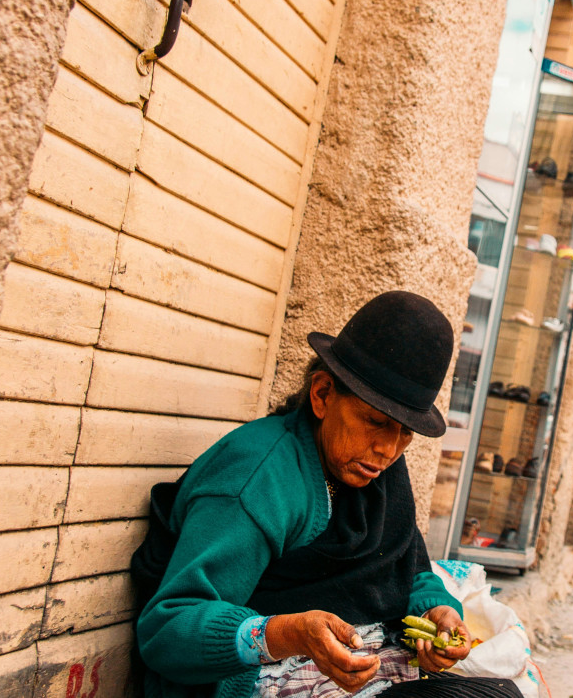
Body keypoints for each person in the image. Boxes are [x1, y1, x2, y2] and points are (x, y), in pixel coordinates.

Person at [132, 291, 521, 698]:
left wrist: (435, 612)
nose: (388, 450)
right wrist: (287, 632)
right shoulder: (257, 480)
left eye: (405, 432)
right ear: (322, 395)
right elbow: (166, 631)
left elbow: (411, 570)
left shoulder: (376, 469)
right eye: (375, 422)